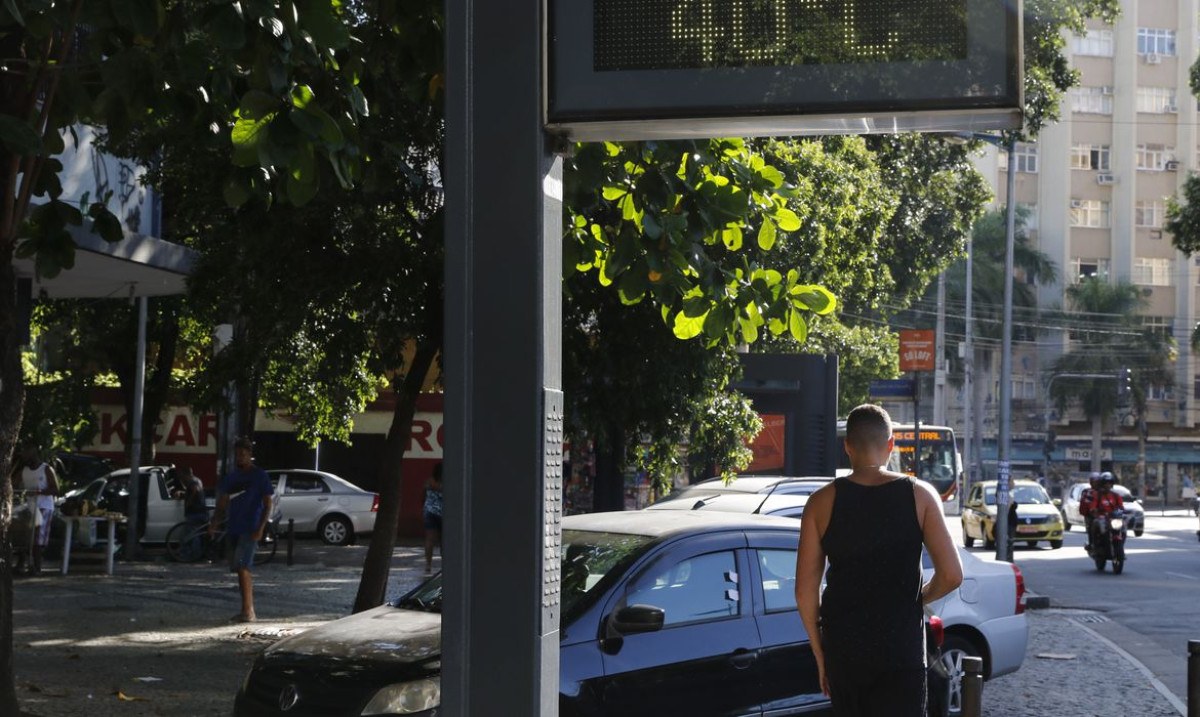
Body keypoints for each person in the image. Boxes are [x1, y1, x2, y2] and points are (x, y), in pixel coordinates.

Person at [796, 404, 963, 716]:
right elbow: (952, 574)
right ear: (891, 446)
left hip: (845, 653)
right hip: (902, 653)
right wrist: (918, 597)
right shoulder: (920, 495)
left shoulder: (820, 502)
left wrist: (821, 655)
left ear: (847, 447)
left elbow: (805, 591)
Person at [210, 438, 273, 623]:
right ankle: (246, 608)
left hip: (251, 526)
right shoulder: (232, 477)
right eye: (238, 454)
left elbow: (267, 503)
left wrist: (261, 528)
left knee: (244, 566)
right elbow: (222, 502)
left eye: (244, 454)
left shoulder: (260, 476)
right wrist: (215, 522)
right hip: (234, 526)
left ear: (250, 455)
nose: (241, 457)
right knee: (238, 568)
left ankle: (248, 611)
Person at [12, 443, 59, 575]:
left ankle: (37, 567)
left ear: (33, 453)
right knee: (24, 536)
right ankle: (21, 564)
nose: (24, 456)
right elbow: (13, 484)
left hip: (44, 506)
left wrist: (40, 492)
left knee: (37, 539)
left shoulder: (46, 469)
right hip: (30, 507)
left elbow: (55, 490)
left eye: (26, 453)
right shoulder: (24, 470)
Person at [1082, 471, 1124, 549]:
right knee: (1094, 525)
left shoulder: (1116, 496)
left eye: (1109, 483)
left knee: (1123, 528)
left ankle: (1120, 546)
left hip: (1113, 519)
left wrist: (1119, 513)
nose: (1107, 485)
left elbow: (1121, 507)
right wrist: (1094, 510)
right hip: (1101, 518)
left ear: (1112, 484)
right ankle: (1094, 545)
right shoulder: (1097, 495)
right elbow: (1092, 506)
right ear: (1102, 484)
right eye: (1105, 483)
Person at [423, 462, 443, 575]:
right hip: (444, 513)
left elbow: (423, 495)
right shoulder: (448, 481)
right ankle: (445, 563)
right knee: (444, 540)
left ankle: (428, 565)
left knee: (429, 539)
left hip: (429, 511)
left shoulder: (429, 482)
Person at [1080, 472, 1100, 550]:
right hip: (1091, 515)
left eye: (1098, 482)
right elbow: (1086, 502)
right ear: (1091, 482)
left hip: (1104, 514)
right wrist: (1092, 509)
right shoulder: (1087, 492)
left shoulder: (1104, 491)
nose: (1096, 484)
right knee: (1091, 528)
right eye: (1094, 482)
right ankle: (1091, 544)